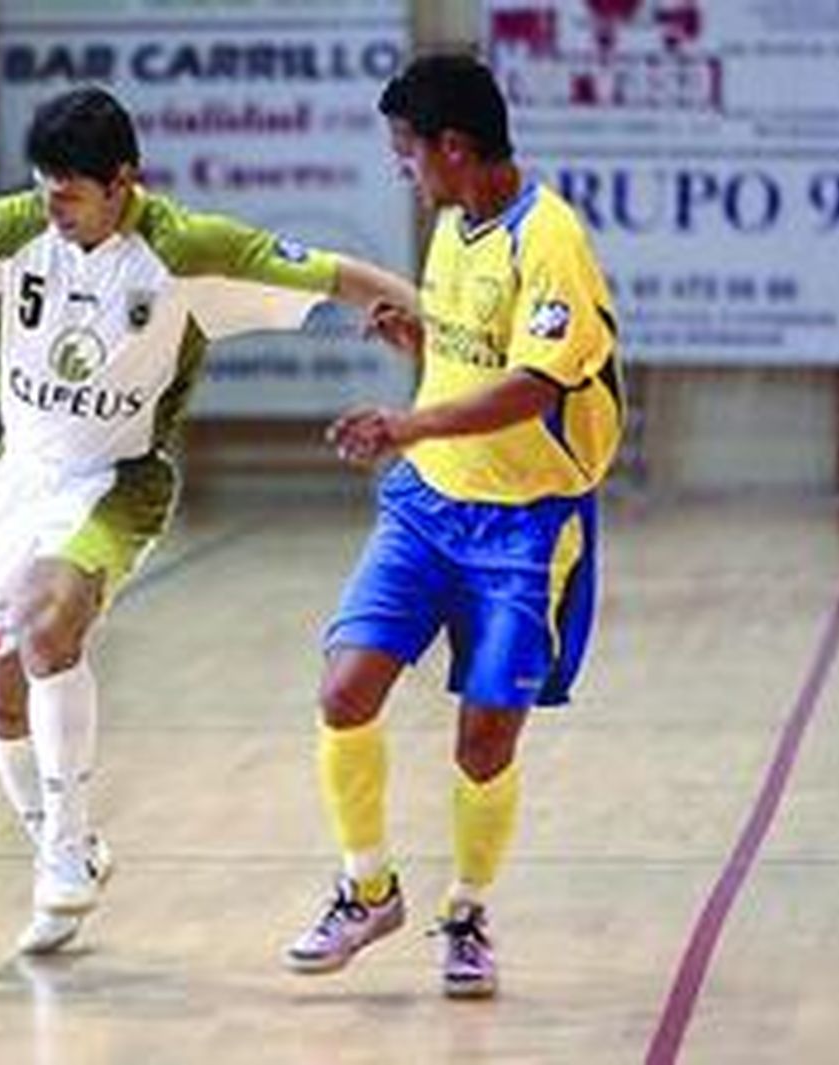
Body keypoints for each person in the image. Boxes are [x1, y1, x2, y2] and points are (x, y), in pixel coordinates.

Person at [0, 87, 414, 955]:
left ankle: (65, 858)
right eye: (44, 190)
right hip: (19, 477)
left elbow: (332, 272)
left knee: (48, 623)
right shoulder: (10, 231)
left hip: (119, 479)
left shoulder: (185, 250)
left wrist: (432, 320)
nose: (53, 208)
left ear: (123, 183)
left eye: (70, 194)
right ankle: (64, 845)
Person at [281, 54, 622, 999]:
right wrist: (419, 342)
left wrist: (406, 422)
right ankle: (367, 890)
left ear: (456, 148)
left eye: (408, 152)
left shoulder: (549, 238)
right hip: (429, 504)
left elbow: (534, 383)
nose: (404, 169)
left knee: (484, 739)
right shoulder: (449, 225)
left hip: (525, 523)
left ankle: (466, 912)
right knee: (345, 689)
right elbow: (477, 354)